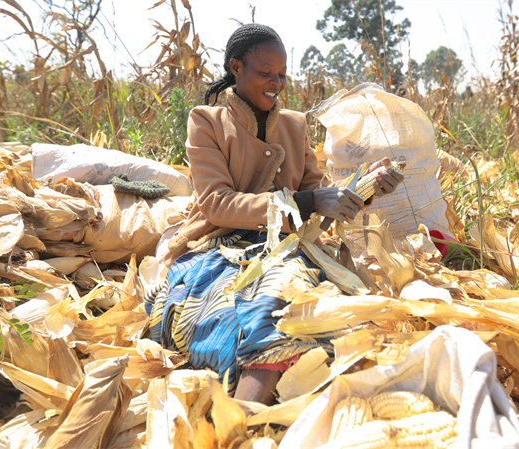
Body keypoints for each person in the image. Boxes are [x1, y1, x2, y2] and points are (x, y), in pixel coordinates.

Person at [145, 23, 403, 405]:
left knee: (308, 306)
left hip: (289, 246)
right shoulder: (207, 122)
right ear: (236, 67)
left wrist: (362, 192)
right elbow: (217, 203)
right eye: (266, 73)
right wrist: (308, 202)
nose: (277, 82)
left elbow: (319, 205)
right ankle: (245, 418)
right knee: (261, 302)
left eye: (282, 74)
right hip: (220, 246)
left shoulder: (295, 125)